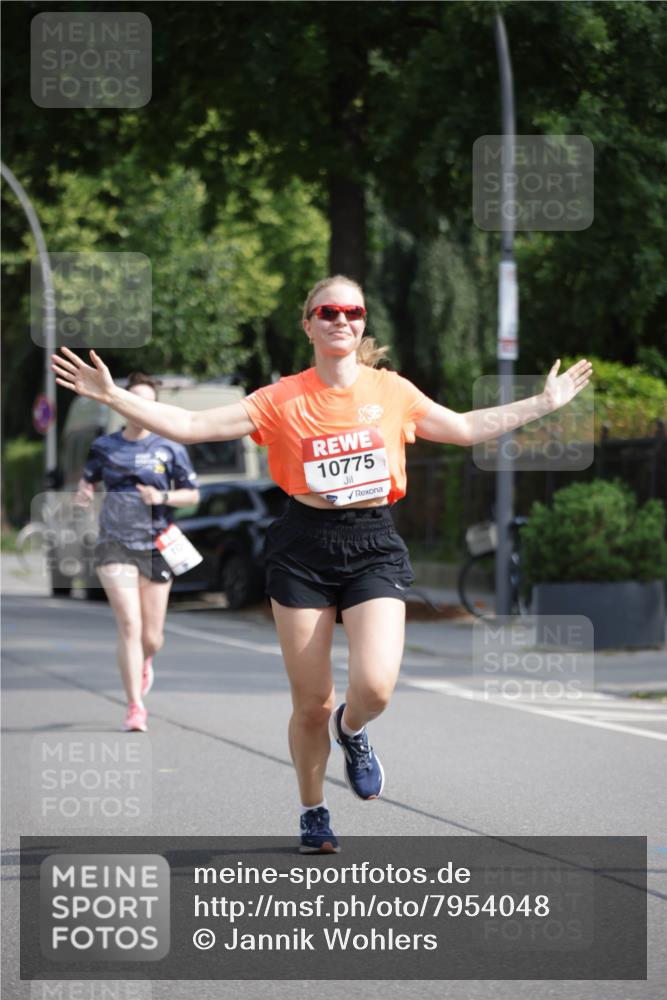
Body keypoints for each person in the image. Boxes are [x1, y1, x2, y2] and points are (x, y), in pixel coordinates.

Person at [53, 275, 592, 851]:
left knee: (376, 688)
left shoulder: (392, 391)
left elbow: (462, 428)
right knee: (311, 703)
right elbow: (189, 425)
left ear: (362, 324)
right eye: (327, 311)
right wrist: (113, 396)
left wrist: (543, 402)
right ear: (308, 323)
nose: (341, 320)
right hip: (303, 547)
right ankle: (313, 811)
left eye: (352, 311)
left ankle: (353, 730)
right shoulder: (281, 397)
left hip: (372, 542)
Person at [74, 372, 200, 733]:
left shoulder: (171, 447)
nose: (139, 408)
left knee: (152, 637)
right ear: (122, 404)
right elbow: (88, 481)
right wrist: (82, 496)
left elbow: (192, 494)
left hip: (157, 544)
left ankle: (145, 661)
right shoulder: (105, 447)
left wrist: (160, 497)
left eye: (147, 401)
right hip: (114, 542)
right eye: (134, 400)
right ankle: (134, 706)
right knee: (129, 624)